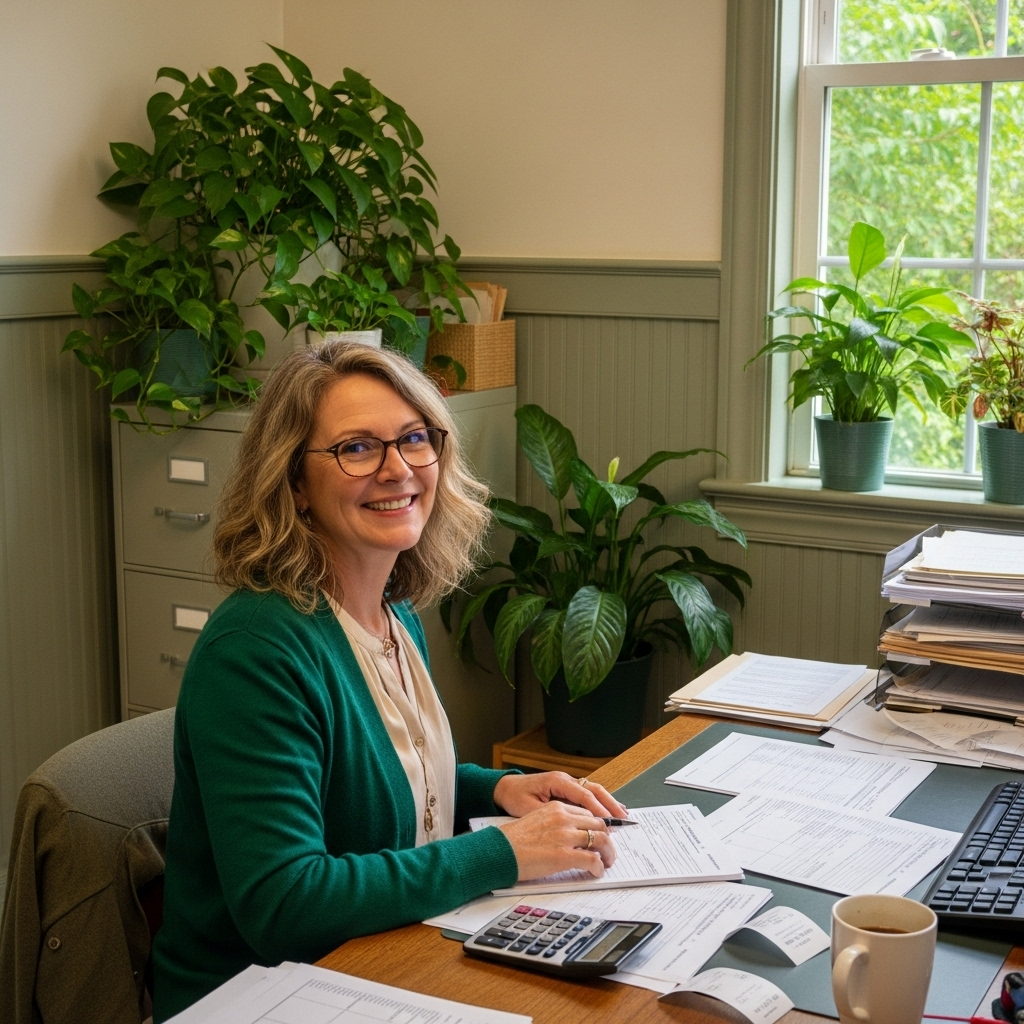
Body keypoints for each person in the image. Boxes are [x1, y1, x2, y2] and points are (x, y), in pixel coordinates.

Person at [152, 341, 627, 1020]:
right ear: (292, 481)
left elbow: (375, 780)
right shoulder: (256, 648)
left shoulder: (390, 605)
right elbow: (285, 903)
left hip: (375, 962)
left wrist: (494, 789)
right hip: (258, 996)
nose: (398, 469)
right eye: (356, 448)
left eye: (413, 439)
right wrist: (496, 852)